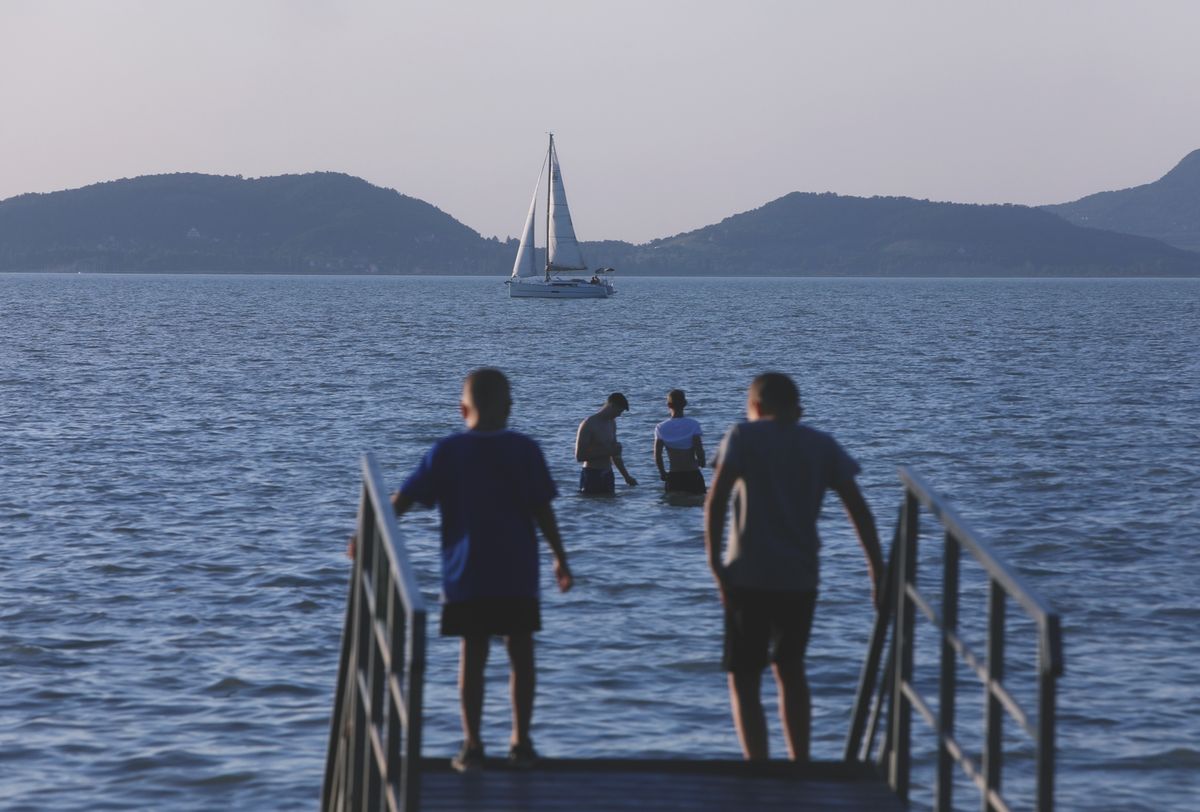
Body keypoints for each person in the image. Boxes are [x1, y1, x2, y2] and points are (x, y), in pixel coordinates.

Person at [356, 368, 573, 773]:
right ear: (509, 407)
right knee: (520, 654)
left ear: (462, 409)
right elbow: (542, 509)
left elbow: (402, 500)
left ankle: (472, 745)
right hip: (517, 575)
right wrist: (560, 557)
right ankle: (520, 742)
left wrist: (366, 533)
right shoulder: (525, 450)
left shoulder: (447, 451)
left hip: (466, 576)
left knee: (472, 658)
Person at [704, 372, 882, 762]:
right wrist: (877, 570)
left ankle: (759, 765)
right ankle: (799, 762)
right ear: (797, 410)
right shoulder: (820, 443)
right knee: (790, 668)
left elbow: (715, 501)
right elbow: (859, 511)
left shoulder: (742, 436)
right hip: (800, 577)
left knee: (745, 675)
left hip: (746, 575)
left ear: (755, 407)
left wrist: (715, 563)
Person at [574, 392, 638, 494]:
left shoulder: (612, 423)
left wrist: (626, 477)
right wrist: (608, 452)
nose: (619, 415)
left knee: (611, 507)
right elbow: (579, 456)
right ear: (612, 406)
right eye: (619, 411)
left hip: (608, 474)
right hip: (591, 474)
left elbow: (615, 454)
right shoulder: (588, 424)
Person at [653, 389, 707, 494]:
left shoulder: (661, 427)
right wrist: (702, 461)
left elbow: (657, 454)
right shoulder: (693, 424)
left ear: (668, 405)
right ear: (685, 404)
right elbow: (699, 449)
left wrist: (662, 472)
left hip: (674, 475)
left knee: (674, 506)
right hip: (693, 474)